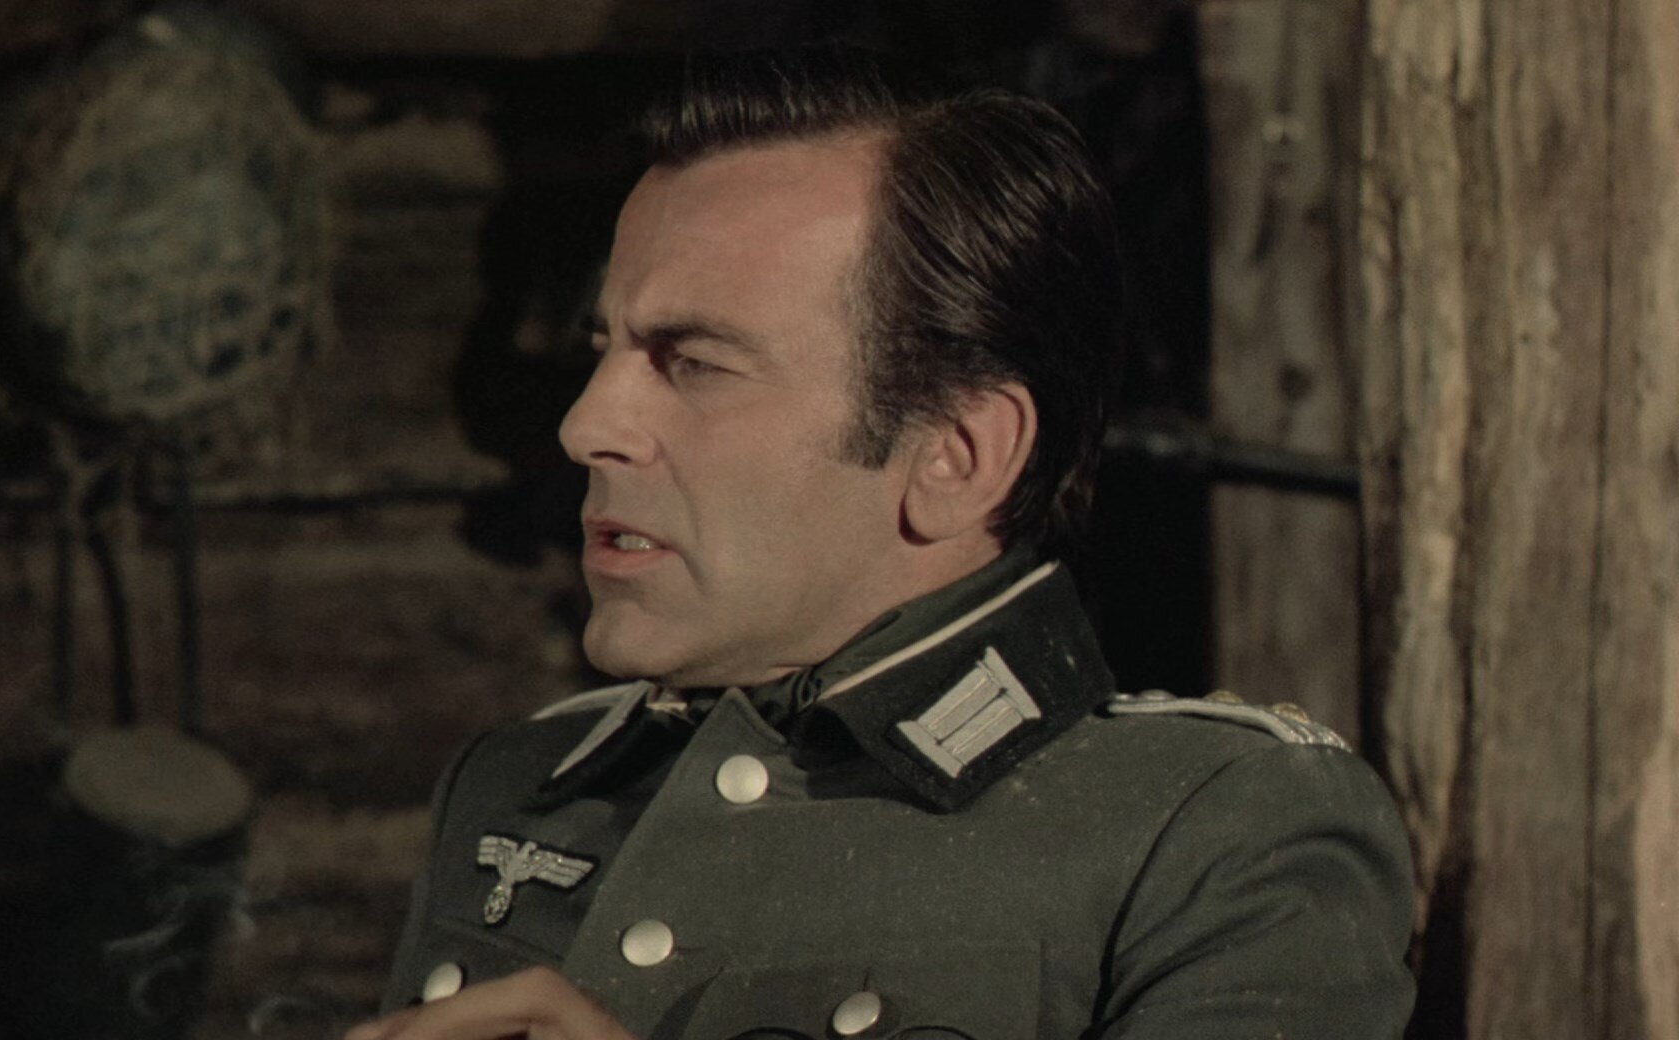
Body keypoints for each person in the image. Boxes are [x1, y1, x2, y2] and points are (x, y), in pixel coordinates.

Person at [347, 45, 1415, 1040]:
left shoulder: (1211, 831)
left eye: (695, 364)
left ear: (955, 455)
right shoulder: (522, 782)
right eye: (606, 351)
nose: (587, 426)